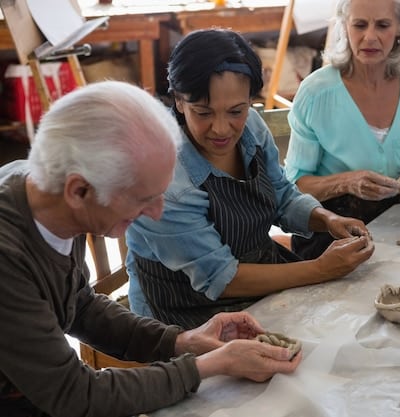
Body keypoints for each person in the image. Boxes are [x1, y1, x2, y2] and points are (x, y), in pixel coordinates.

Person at [0, 81, 302, 417]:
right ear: (78, 190)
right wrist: (204, 366)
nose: (158, 213)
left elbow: (79, 305)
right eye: (144, 198)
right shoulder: (8, 259)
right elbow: (74, 395)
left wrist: (181, 342)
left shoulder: (42, 190)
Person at [125, 29, 374, 330]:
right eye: (203, 113)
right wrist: (320, 268)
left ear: (250, 101)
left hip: (254, 271)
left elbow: (281, 194)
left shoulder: (251, 128)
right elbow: (220, 278)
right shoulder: (164, 180)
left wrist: (326, 219)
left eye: (236, 111)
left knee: (356, 316)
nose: (221, 128)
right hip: (187, 305)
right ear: (179, 101)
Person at [283, 0, 400, 260]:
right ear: (345, 26)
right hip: (326, 233)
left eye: (383, 25)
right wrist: (346, 182)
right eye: (360, 25)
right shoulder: (316, 92)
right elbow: (295, 186)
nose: (370, 37)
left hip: (391, 226)